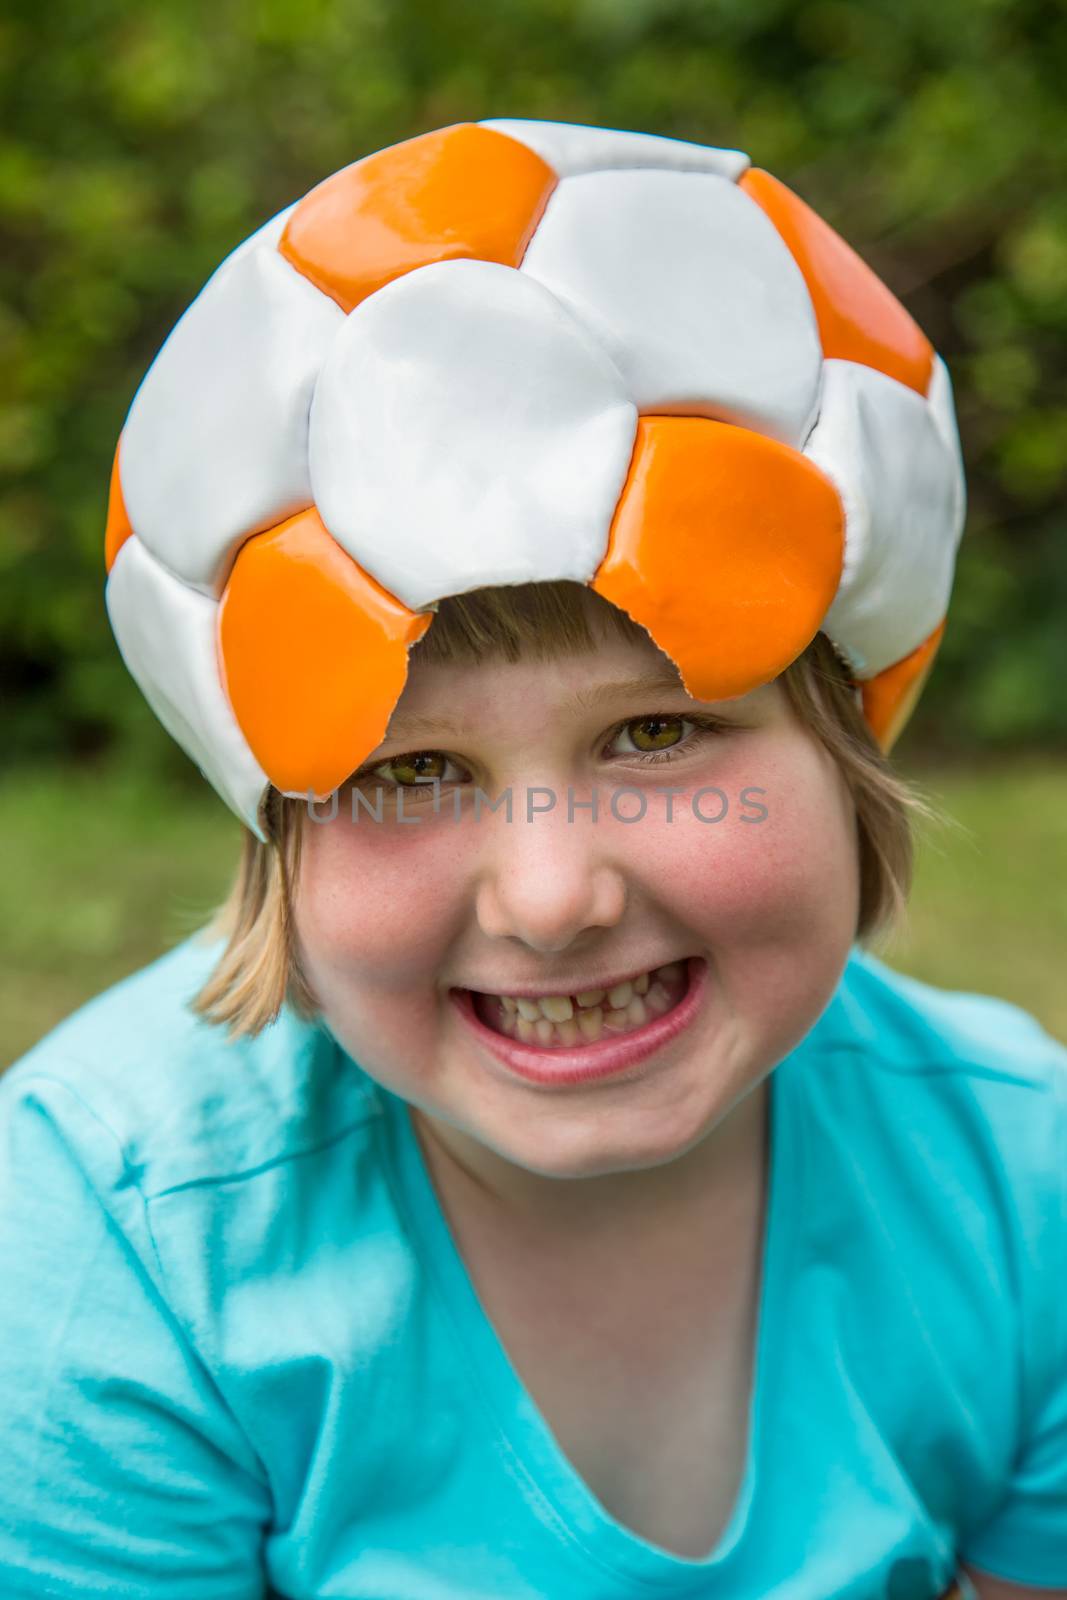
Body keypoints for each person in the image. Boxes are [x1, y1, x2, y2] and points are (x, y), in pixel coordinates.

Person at [0, 119, 1063, 1600]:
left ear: (850, 756)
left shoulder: (1024, 1188)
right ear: (273, 842)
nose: (555, 898)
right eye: (412, 771)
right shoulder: (108, 1257)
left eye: (656, 737)